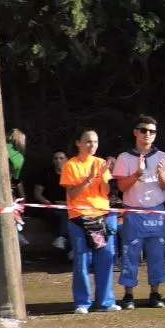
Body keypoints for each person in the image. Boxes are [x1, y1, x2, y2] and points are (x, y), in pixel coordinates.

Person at [112, 115, 165, 309]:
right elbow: (122, 186)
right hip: (134, 211)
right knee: (130, 253)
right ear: (135, 132)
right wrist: (137, 175)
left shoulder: (163, 157)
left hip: (156, 211)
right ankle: (129, 295)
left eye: (152, 131)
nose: (147, 134)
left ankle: (155, 293)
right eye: (143, 130)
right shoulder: (124, 157)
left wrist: (161, 174)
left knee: (156, 254)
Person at [60, 130, 120, 314]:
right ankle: (82, 302)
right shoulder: (71, 165)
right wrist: (89, 178)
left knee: (105, 259)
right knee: (82, 260)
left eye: (95, 142)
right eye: (87, 142)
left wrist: (102, 176)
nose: (92, 145)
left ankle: (105, 301)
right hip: (80, 218)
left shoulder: (101, 163)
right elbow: (72, 193)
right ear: (78, 143)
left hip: (102, 216)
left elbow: (106, 191)